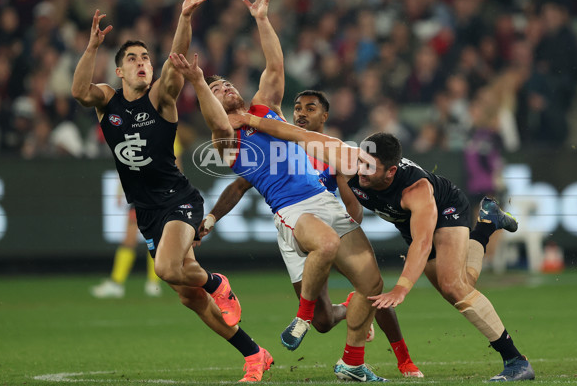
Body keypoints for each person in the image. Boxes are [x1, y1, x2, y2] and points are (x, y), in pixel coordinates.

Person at [169, 0, 388, 382]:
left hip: (324, 202)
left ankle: (350, 362)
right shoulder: (228, 143)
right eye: (219, 88)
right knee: (323, 248)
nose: (227, 87)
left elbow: (275, 66)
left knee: (368, 289)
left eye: (227, 83)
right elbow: (219, 128)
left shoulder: (264, 109)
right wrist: (199, 81)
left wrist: (263, 19)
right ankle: (302, 319)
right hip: (290, 211)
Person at [225, 113, 536, 382]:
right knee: (462, 283)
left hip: (444, 211)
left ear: (390, 171)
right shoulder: (348, 158)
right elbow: (297, 134)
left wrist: (401, 287)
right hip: (408, 224)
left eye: (369, 168)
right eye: (361, 161)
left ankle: (517, 361)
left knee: (454, 286)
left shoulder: (417, 191)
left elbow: (423, 242)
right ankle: (486, 225)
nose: (359, 172)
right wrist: (250, 120)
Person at [71, 0, 273, 383]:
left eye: (145, 57)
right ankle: (254, 354)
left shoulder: (161, 99)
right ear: (119, 71)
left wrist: (184, 18)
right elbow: (79, 91)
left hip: (179, 200)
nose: (142, 63)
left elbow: (177, 66)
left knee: (167, 268)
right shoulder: (107, 101)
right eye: (132, 59)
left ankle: (219, 283)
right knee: (188, 296)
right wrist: (92, 45)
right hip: (147, 211)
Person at [199, 89, 423, 378]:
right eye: (298, 108)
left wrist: (351, 239)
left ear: (324, 116)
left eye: (310, 108)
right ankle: (324, 315)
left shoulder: (332, 154)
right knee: (323, 318)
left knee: (369, 286)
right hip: (297, 224)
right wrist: (214, 215)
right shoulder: (280, 144)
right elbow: (240, 185)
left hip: (327, 223)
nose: (301, 113)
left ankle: (399, 360)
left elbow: (352, 207)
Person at [91, 136, 185, 298]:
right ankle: (151, 284)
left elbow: (177, 165)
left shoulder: (165, 131)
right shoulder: (155, 129)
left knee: (135, 238)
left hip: (153, 192)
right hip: (145, 191)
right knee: (150, 238)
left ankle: (121, 283)